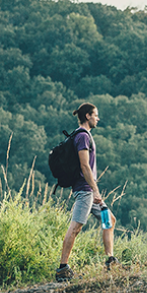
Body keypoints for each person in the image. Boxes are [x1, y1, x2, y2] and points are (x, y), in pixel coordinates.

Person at [55, 103, 117, 282]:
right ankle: (62, 268)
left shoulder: (83, 135)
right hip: (85, 190)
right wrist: (95, 190)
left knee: (109, 220)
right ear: (88, 116)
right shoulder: (82, 136)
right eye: (95, 115)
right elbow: (85, 166)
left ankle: (110, 260)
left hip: (88, 190)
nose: (98, 118)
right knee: (75, 228)